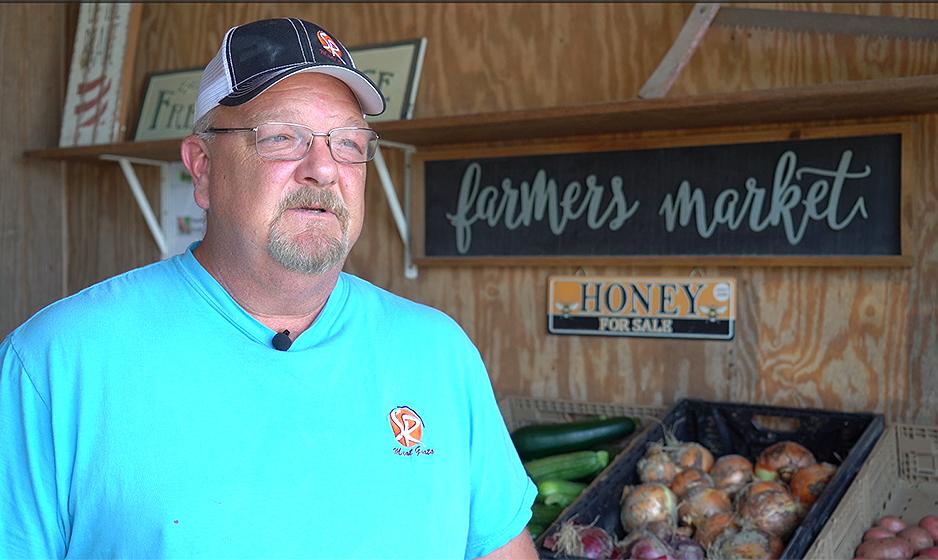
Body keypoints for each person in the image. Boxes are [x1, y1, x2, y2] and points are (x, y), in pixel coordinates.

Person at [0, 18, 538, 559]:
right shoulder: (56, 362)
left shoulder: (439, 354)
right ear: (203, 169)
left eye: (348, 143)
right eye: (282, 137)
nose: (324, 169)